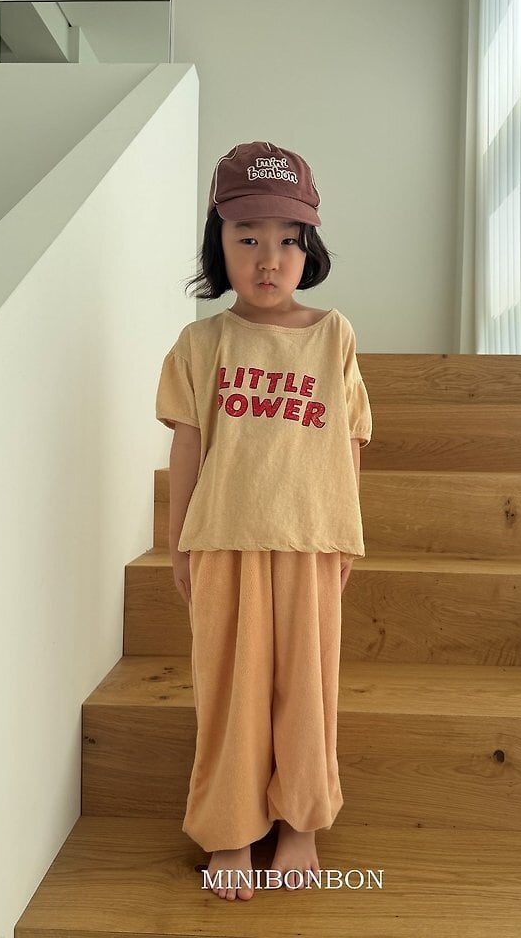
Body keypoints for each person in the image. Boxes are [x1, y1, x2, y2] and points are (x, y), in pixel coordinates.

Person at [155, 141, 372, 901]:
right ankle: (229, 830)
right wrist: (178, 545)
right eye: (247, 238)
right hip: (223, 540)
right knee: (231, 694)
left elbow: (348, 444)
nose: (268, 259)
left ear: (309, 249)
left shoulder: (334, 335)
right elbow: (188, 447)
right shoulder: (201, 343)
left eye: (287, 240)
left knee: (306, 690)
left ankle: (301, 822)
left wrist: (345, 539)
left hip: (311, 542)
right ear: (218, 245)